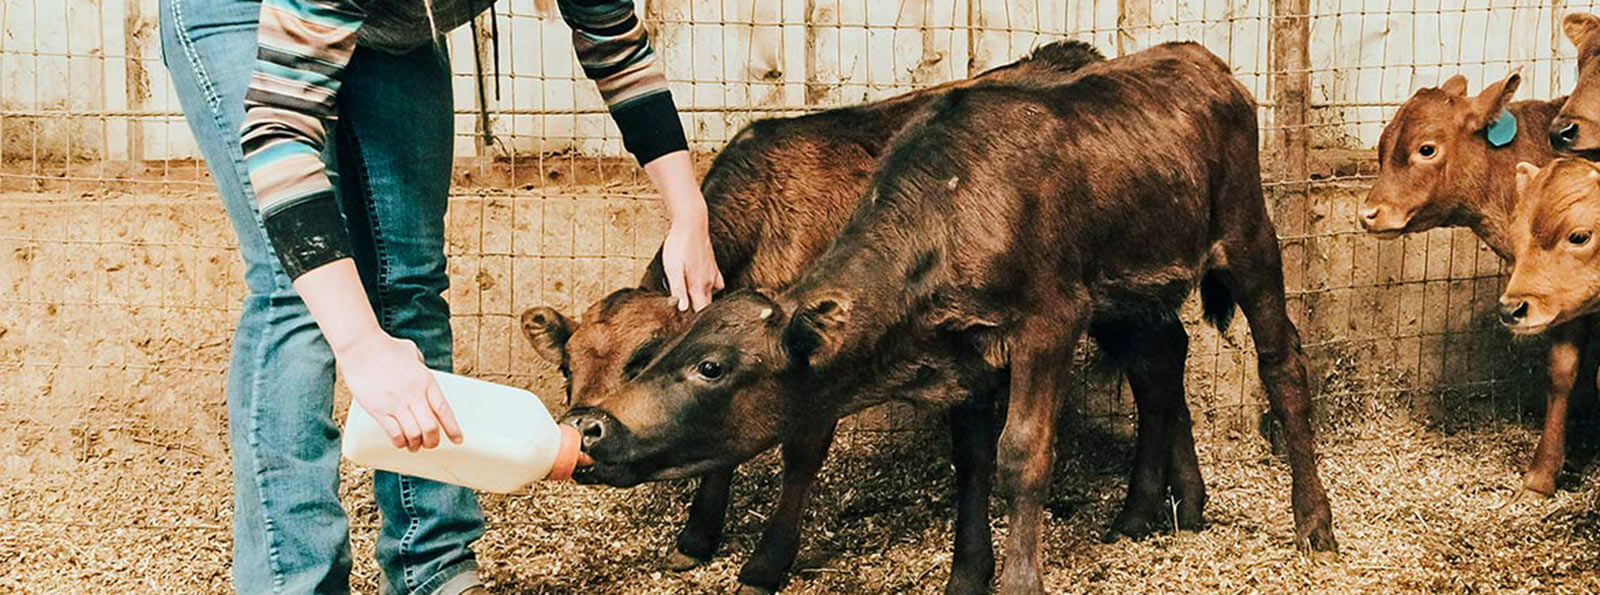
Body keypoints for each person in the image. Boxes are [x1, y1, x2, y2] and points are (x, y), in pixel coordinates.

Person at [159, 0, 723, 591]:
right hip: (243, 13)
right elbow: (280, 128)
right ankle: (295, 581)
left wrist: (689, 211)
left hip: (396, 27)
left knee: (411, 281)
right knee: (298, 298)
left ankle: (433, 567)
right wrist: (360, 344)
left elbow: (613, 40)